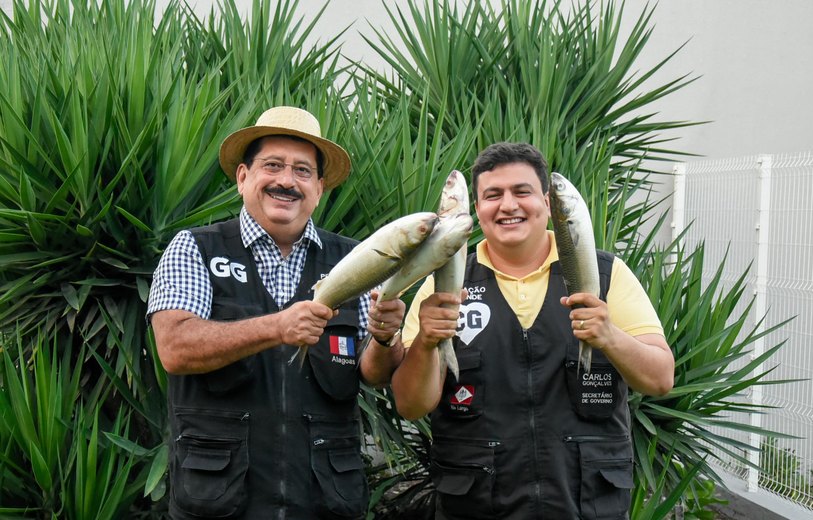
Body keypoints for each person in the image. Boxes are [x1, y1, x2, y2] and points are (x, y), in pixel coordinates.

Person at [391, 142, 675, 519]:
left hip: (585, 506)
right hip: (477, 506)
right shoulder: (445, 283)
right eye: (493, 195)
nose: (508, 205)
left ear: (545, 202)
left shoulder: (604, 273)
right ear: (477, 210)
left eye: (521, 192)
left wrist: (610, 336)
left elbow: (660, 378)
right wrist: (426, 342)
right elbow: (411, 405)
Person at [147, 106, 405, 519]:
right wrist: (276, 327)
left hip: (324, 501)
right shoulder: (195, 247)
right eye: (273, 166)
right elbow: (175, 348)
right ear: (243, 177)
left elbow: (373, 372)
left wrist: (387, 337)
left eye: (302, 171)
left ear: (319, 188)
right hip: (219, 502)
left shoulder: (356, 261)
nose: (287, 181)